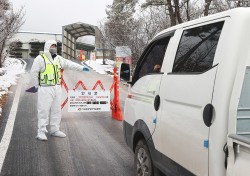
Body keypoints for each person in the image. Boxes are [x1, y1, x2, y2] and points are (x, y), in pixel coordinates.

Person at [30, 40, 90, 141]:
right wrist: (36, 85)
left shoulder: (58, 59)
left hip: (57, 87)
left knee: (56, 110)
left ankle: (54, 129)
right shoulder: (40, 59)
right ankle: (41, 131)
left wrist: (81, 68)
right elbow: (34, 72)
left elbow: (69, 64)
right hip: (45, 88)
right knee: (43, 110)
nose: (53, 48)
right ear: (47, 47)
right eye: (52, 46)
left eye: (55, 46)